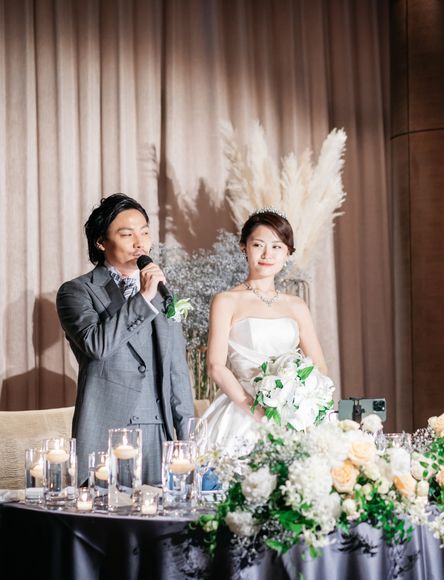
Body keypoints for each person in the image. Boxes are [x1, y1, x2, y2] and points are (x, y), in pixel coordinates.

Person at [57, 193, 194, 485]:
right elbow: (97, 345)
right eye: (127, 234)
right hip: (107, 432)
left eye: (144, 232)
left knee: (161, 510)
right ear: (101, 242)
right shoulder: (77, 291)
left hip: (159, 432)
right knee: (106, 511)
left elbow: (177, 373)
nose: (139, 243)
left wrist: (187, 442)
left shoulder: (164, 294)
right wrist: (143, 298)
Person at [201, 207, 330, 452]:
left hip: (291, 413)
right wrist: (256, 410)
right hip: (242, 410)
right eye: (258, 245)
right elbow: (215, 366)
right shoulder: (226, 301)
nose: (267, 254)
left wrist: (297, 398)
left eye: (277, 246)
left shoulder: (296, 305)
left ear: (287, 252)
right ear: (244, 247)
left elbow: (319, 366)